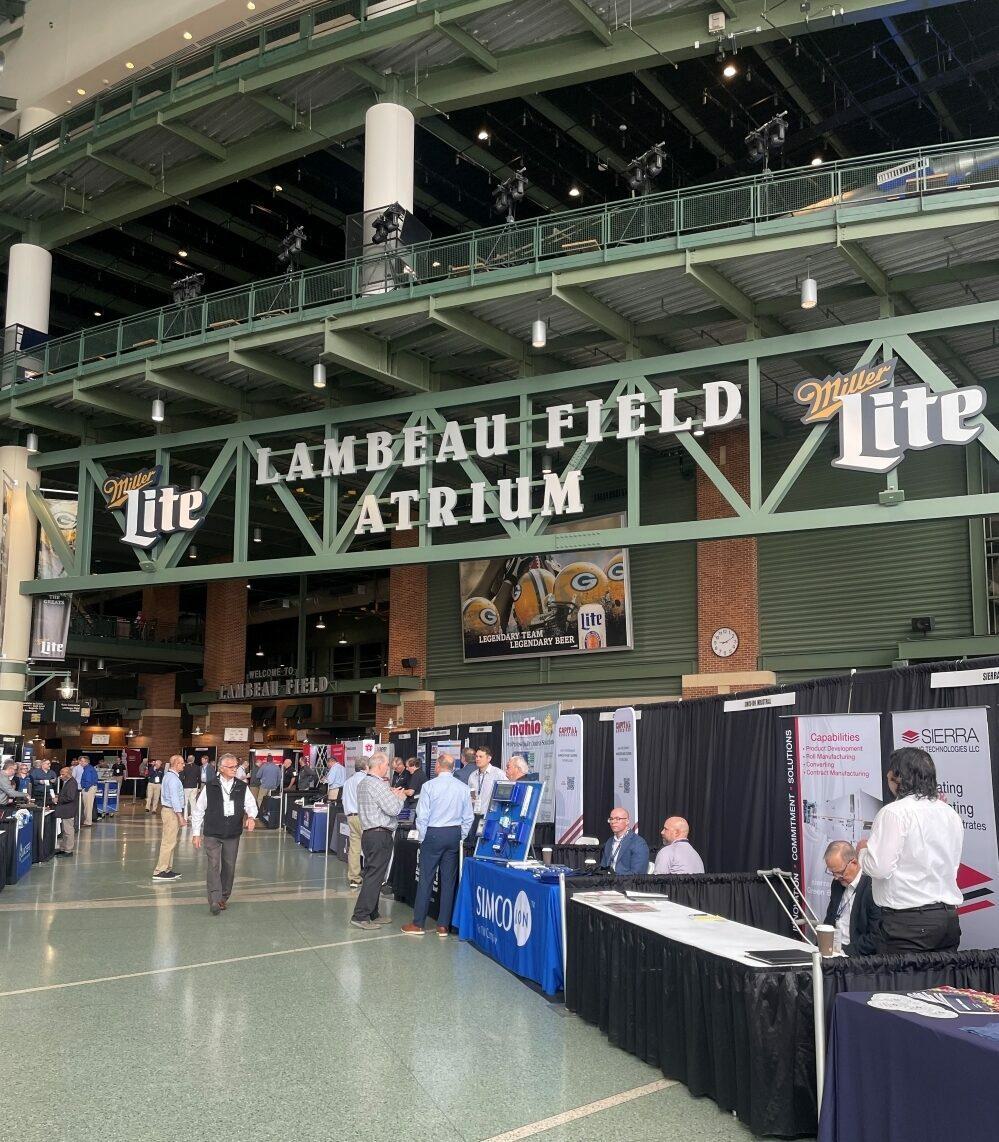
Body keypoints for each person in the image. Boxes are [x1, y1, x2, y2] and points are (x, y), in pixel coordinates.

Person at [858, 747, 963, 953]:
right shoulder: (950, 814)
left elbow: (879, 868)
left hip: (907, 924)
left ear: (898, 776)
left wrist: (862, 852)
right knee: (943, 984)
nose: (887, 774)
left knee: (903, 985)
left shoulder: (894, 813)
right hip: (947, 920)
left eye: (891, 770)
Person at [402, 753, 473, 937]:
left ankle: (418, 923)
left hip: (433, 833)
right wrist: (460, 835)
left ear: (438, 766)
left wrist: (424, 837)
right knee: (449, 882)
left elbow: (422, 815)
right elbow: (468, 818)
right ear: (453, 767)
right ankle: (443, 925)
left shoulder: (429, 786)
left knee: (426, 878)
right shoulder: (463, 788)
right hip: (454, 834)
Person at [191, 752, 258, 916]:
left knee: (229, 866)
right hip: (212, 832)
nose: (235, 769)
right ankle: (214, 899)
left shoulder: (242, 787)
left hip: (232, 833)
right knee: (213, 865)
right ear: (221, 769)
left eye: (236, 766)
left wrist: (251, 817)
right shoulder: (210, 786)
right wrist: (196, 834)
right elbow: (198, 810)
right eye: (231, 767)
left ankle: (223, 897)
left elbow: (251, 805)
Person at [350, 752, 406, 930]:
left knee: (373, 874)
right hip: (379, 834)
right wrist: (399, 798)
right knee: (375, 876)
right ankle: (360, 915)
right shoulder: (377, 784)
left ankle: (372, 913)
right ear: (380, 765)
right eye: (387, 765)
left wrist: (391, 795)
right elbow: (394, 809)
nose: (388, 768)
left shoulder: (364, 782)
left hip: (369, 833)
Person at [823, 840, 880, 957]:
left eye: (839, 872)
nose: (836, 878)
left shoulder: (873, 888)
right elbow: (830, 920)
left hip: (857, 957)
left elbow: (876, 937)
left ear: (854, 863)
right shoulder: (837, 884)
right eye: (832, 873)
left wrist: (845, 952)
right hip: (833, 951)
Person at [153, 755, 186, 883]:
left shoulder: (169, 776)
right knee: (168, 842)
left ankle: (167, 869)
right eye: (182, 763)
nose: (183, 765)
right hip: (171, 812)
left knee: (171, 841)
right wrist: (180, 816)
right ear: (176, 764)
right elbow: (174, 799)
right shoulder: (173, 779)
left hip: (170, 811)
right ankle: (160, 870)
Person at [341, 758, 369, 890]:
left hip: (351, 817)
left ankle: (354, 878)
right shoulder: (366, 780)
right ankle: (371, 877)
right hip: (364, 818)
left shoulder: (348, 782)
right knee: (370, 847)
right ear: (366, 767)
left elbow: (343, 799)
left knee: (354, 848)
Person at [601, 808, 650, 874]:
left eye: (617, 819)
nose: (613, 822)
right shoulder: (609, 842)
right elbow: (603, 867)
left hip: (625, 882)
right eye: (611, 819)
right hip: (606, 881)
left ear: (627, 821)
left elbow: (638, 874)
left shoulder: (638, 843)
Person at [467, 747, 504, 820]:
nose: (477, 759)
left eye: (480, 757)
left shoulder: (498, 774)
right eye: (476, 756)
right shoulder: (472, 776)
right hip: (475, 816)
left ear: (489, 758)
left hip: (491, 816)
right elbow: (472, 794)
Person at [53, 766, 79, 856]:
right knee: (65, 831)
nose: (61, 776)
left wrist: (58, 799)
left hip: (68, 810)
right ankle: (63, 848)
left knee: (68, 831)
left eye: (63, 774)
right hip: (65, 810)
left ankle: (68, 850)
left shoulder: (72, 783)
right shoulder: (67, 782)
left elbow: (70, 797)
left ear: (68, 774)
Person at [80, 757, 100, 827]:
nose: (81, 762)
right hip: (90, 788)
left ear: (87, 762)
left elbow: (88, 780)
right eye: (81, 761)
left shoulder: (88, 769)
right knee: (88, 806)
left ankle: (88, 822)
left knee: (87, 806)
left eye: (83, 761)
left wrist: (86, 788)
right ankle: (87, 821)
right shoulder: (88, 768)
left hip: (89, 789)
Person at [180, 756, 201, 822]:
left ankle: (185, 818)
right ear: (193, 760)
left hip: (186, 786)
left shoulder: (184, 767)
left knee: (185, 802)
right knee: (193, 802)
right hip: (194, 786)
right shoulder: (197, 767)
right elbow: (199, 778)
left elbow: (181, 777)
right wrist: (199, 787)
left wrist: (181, 785)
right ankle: (193, 817)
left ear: (187, 760)